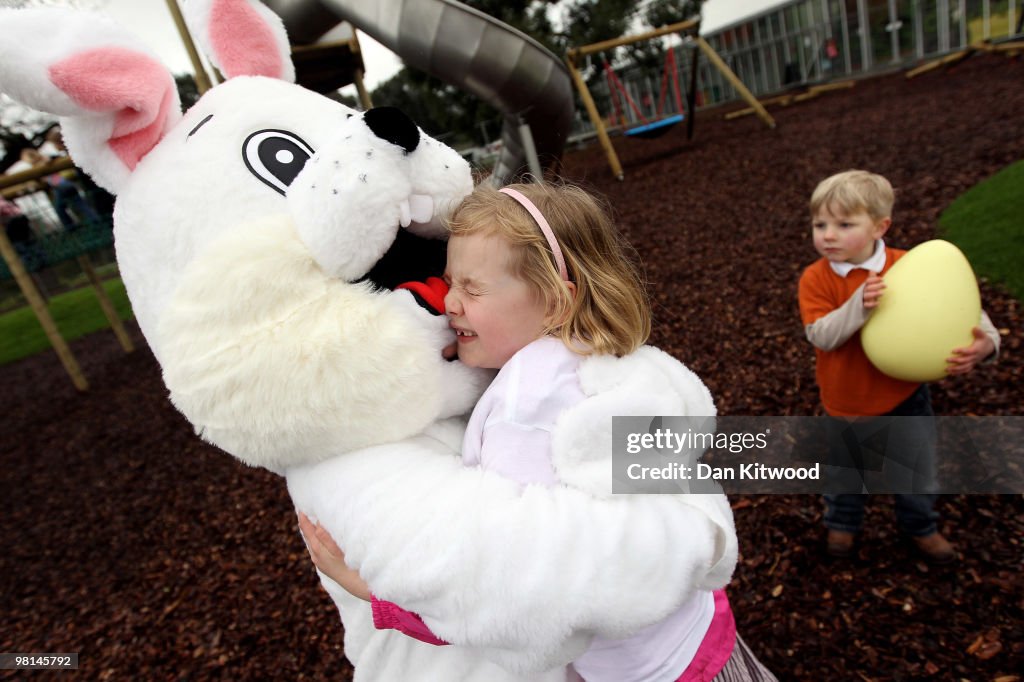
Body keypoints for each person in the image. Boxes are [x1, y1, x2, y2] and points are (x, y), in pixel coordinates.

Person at [301, 180, 777, 681]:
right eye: (450, 283)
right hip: (704, 628)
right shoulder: (595, 356)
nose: (449, 304)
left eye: (472, 288)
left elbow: (512, 588)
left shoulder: (523, 408)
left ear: (553, 303)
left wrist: (373, 593)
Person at [798, 169, 1000, 563]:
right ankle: (843, 527)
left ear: (880, 226)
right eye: (819, 224)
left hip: (905, 395)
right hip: (848, 400)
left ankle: (921, 527)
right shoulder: (815, 279)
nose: (828, 235)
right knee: (846, 475)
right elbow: (821, 335)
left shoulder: (908, 266)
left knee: (917, 469)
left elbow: (963, 307)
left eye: (843, 224)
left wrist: (987, 343)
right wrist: (859, 304)